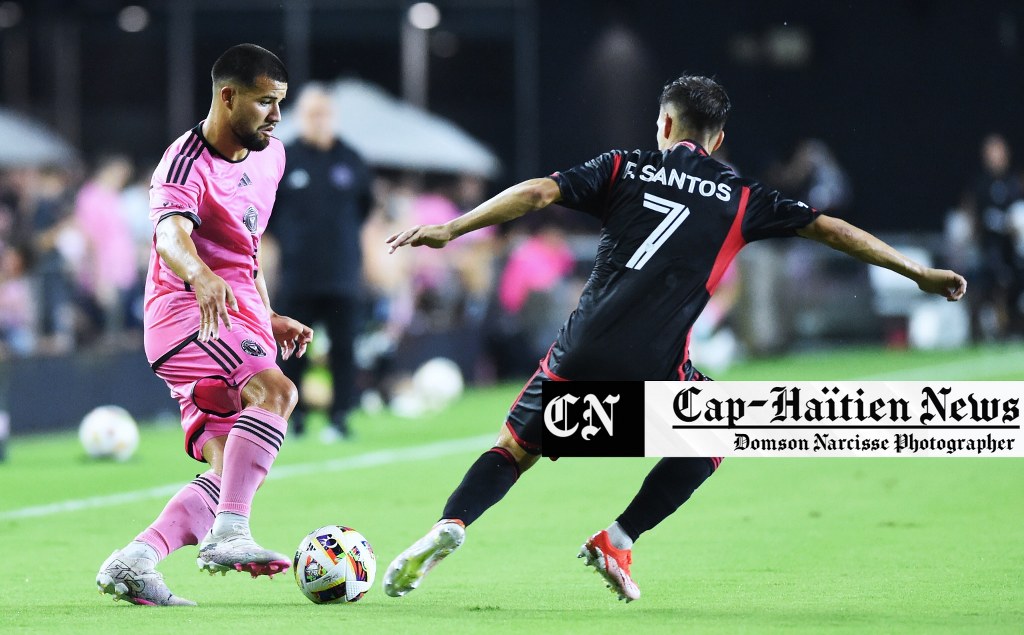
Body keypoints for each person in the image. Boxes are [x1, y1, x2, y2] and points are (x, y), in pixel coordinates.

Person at [381, 75, 967, 603]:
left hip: (580, 352)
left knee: (515, 450)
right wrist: (919, 273)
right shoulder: (741, 198)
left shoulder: (623, 167)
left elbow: (537, 193)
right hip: (652, 367)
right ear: (717, 138)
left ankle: (451, 525)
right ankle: (618, 537)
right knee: (717, 436)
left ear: (665, 123)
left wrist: (452, 227)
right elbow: (832, 229)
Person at [95, 43, 313, 607]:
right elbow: (170, 236)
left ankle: (136, 560)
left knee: (226, 473)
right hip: (184, 315)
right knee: (278, 391)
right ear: (227, 96)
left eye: (281, 103)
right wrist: (199, 276)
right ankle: (230, 535)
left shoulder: (272, 156)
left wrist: (266, 314)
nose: (276, 115)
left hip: (234, 313)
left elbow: (246, 250)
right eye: (266, 102)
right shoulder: (182, 160)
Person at [268, 83, 372, 441]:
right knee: (292, 350)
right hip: (298, 275)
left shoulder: (352, 159)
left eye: (325, 113)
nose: (319, 120)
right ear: (300, 117)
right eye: (312, 114)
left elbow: (364, 212)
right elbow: (268, 219)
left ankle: (340, 416)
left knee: (345, 349)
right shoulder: (282, 157)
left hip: (343, 274)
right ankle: (290, 419)